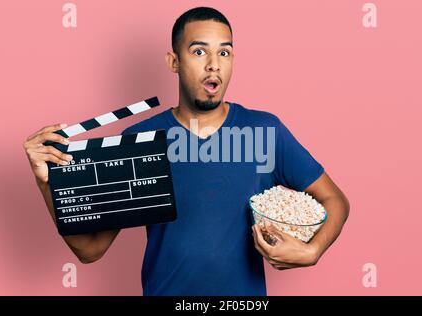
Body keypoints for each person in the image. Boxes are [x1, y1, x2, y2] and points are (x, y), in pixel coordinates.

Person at [23, 7, 350, 296]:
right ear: (174, 61)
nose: (213, 65)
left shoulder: (265, 130)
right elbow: (89, 249)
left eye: (224, 53)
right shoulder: (139, 139)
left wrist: (313, 251)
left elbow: (335, 199)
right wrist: (45, 182)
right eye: (198, 52)